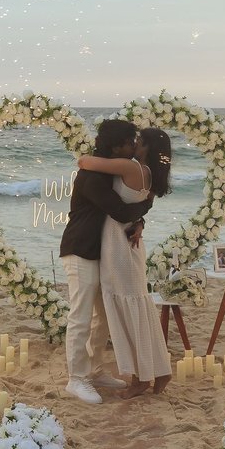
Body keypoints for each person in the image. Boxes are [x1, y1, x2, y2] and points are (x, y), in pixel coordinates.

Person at [57, 119, 154, 404]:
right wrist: (148, 202)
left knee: (102, 317)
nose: (134, 146)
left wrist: (142, 220)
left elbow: (122, 210)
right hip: (81, 249)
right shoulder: (93, 176)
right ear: (116, 145)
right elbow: (120, 211)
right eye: (129, 142)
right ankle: (76, 379)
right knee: (81, 316)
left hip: (102, 252)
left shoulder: (108, 171)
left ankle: (95, 371)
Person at [74, 127, 175, 397]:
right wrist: (139, 221)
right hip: (129, 245)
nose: (133, 144)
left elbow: (84, 162)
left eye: (137, 141)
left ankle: (141, 380)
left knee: (128, 311)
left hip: (118, 246)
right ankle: (161, 370)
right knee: (139, 308)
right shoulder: (151, 175)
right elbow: (142, 206)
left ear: (146, 148)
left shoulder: (130, 168)